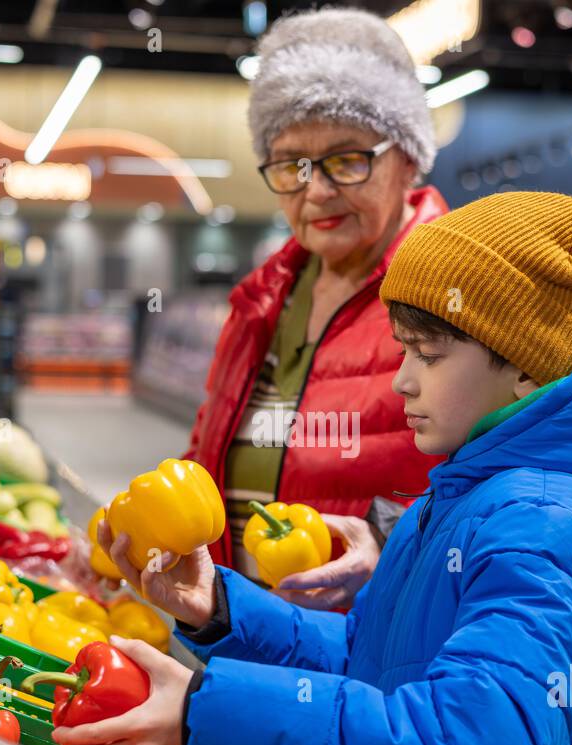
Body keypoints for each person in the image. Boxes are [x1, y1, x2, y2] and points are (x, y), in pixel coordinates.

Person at [73, 192, 572, 745]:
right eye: (402, 352)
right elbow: (369, 663)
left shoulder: (545, 529)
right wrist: (223, 609)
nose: (401, 383)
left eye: (430, 356)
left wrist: (206, 715)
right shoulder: (466, 496)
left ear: (525, 364)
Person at [182, 8, 448, 604]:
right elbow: (210, 444)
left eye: (348, 159)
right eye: (292, 165)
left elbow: (521, 484)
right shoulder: (262, 297)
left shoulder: (462, 292)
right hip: (246, 629)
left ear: (407, 155)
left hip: (379, 648)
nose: (318, 191)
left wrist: (393, 541)